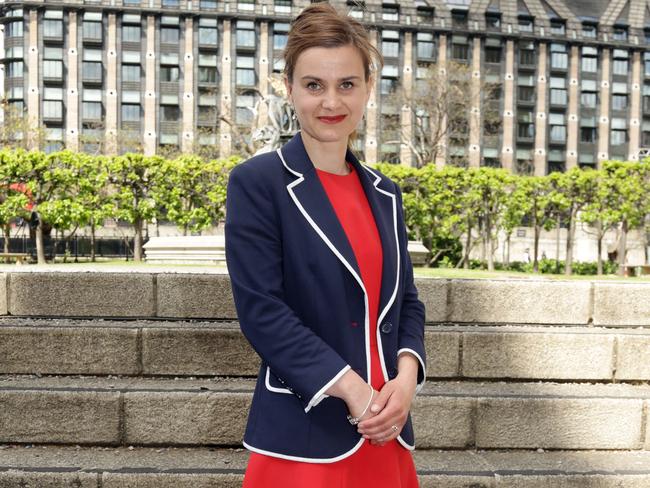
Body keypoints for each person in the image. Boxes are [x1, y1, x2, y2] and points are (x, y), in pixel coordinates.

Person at [224, 3, 426, 486]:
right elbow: (262, 311)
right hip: (306, 434)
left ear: (368, 90)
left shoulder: (385, 193)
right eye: (314, 85)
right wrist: (356, 392)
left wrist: (406, 381)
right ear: (289, 88)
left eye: (347, 84)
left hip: (387, 430)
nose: (331, 101)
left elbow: (407, 302)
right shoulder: (258, 182)